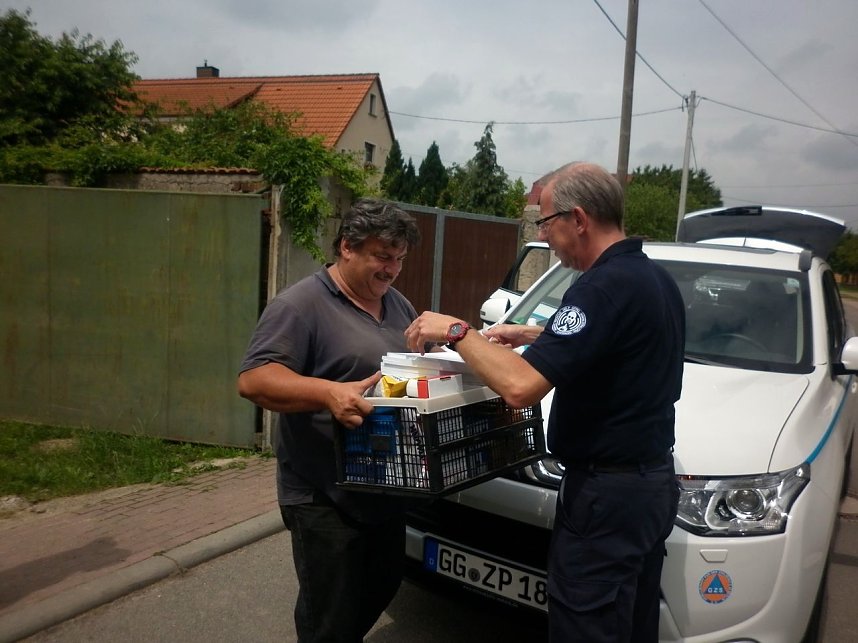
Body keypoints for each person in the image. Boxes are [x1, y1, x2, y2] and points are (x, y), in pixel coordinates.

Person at [404, 162, 684, 642]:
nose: (543, 236)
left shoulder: (600, 286)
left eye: (546, 222)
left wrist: (456, 330)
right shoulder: (653, 279)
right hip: (650, 486)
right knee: (630, 621)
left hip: (605, 496)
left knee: (586, 626)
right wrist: (534, 332)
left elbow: (520, 386)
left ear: (579, 219)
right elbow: (616, 340)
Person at [238, 197, 421, 643]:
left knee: (382, 583)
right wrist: (327, 392)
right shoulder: (300, 305)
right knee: (329, 615)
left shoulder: (398, 305)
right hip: (322, 493)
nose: (392, 269)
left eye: (399, 259)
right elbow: (254, 380)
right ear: (347, 247)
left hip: (384, 484)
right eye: (383, 256)